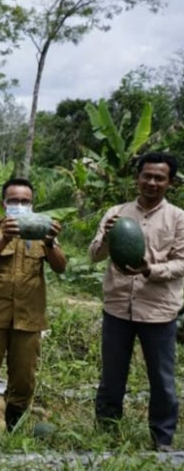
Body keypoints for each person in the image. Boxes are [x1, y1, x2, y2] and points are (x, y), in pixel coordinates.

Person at [88, 152, 184, 451]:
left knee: (162, 379)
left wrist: (149, 269)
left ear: (169, 182)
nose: (152, 182)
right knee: (112, 376)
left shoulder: (179, 218)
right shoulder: (116, 212)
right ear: (137, 177)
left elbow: (182, 262)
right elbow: (94, 255)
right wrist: (105, 234)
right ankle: (107, 434)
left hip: (158, 310)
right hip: (117, 307)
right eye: (147, 176)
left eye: (159, 178)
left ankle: (162, 439)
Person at [0, 178, 67, 433]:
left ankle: (14, 423)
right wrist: (4, 240)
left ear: (32, 204)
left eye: (25, 201)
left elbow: (60, 266)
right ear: (3, 204)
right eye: (14, 201)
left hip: (29, 316)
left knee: (24, 376)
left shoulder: (42, 232)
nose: (20, 205)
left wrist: (51, 242)